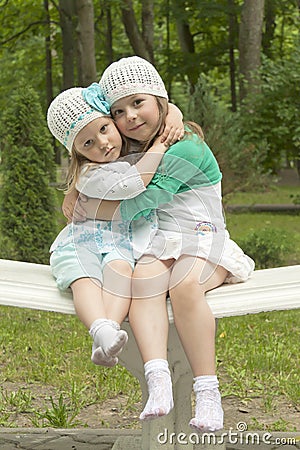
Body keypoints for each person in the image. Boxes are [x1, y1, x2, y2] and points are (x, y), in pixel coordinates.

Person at [72, 56, 255, 433]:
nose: (130, 117)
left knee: (184, 284)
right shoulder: (141, 147)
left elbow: (142, 202)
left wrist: (91, 208)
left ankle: (207, 389)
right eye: (119, 111)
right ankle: (159, 380)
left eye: (138, 103)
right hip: (163, 243)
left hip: (206, 240)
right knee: (143, 282)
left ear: (159, 98)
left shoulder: (183, 147)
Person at [47, 83, 183, 368]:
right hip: (81, 243)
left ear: (113, 123)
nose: (103, 144)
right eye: (88, 144)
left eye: (104, 130)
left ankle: (108, 338)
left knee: (122, 271)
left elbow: (155, 107)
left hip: (118, 241)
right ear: (79, 155)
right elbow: (133, 184)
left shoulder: (125, 145)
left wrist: (174, 114)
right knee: (84, 278)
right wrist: (160, 146)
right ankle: (99, 328)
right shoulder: (90, 172)